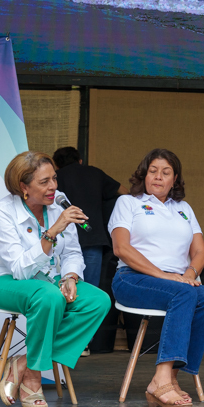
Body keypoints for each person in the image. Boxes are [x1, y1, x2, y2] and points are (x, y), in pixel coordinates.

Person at [0, 151, 111, 407]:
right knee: (48, 296)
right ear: (23, 187)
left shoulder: (58, 209)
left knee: (98, 301)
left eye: (54, 179)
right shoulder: (3, 212)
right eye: (44, 182)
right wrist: (53, 230)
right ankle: (32, 380)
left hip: (45, 281)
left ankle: (22, 362)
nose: (54, 187)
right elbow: (19, 269)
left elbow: (72, 253)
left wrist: (70, 276)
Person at [110, 148, 204, 407]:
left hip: (177, 282)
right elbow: (121, 248)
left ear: (175, 180)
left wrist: (188, 275)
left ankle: (171, 378)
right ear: (144, 174)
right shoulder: (128, 203)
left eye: (166, 172)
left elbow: (200, 252)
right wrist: (166, 276)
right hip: (132, 278)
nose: (158, 177)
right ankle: (159, 380)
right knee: (183, 293)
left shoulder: (183, 209)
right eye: (153, 171)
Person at [53, 146, 129, 351]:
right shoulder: (95, 173)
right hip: (92, 236)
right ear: (79, 160)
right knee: (88, 291)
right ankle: (84, 343)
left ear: (56, 165)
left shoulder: (55, 178)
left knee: (63, 289)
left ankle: (63, 339)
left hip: (62, 237)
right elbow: (125, 193)